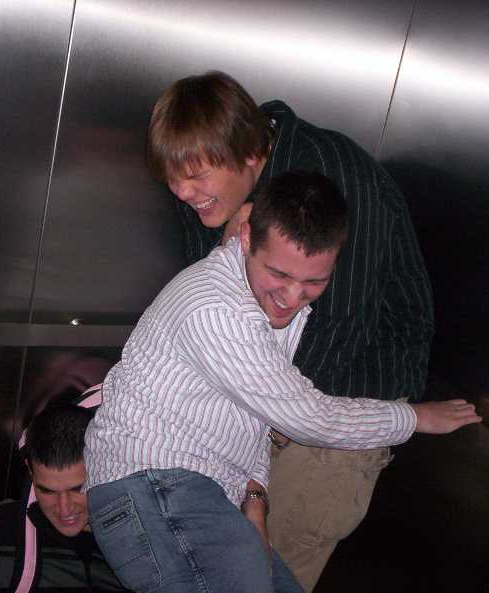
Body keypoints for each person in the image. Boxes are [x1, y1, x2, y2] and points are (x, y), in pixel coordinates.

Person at [84, 171, 479, 593]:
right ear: (246, 237)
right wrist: (416, 417)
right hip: (152, 485)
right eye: (279, 274)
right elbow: (311, 418)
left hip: (196, 492)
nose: (291, 297)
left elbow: (256, 418)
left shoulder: (262, 302)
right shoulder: (216, 308)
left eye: (313, 283)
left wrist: (255, 499)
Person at [147, 70, 436, 591]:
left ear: (250, 154)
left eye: (197, 177)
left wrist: (269, 417)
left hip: (344, 399)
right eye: (173, 178)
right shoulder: (210, 190)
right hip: (262, 397)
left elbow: (343, 316)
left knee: (268, 572)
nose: (184, 192)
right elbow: (210, 292)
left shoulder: (331, 174)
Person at [0, 402, 129, 593]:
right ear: (31, 472)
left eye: (78, 489)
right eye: (47, 491)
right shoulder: (5, 530)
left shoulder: (138, 535)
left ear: (103, 470)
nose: (64, 509)